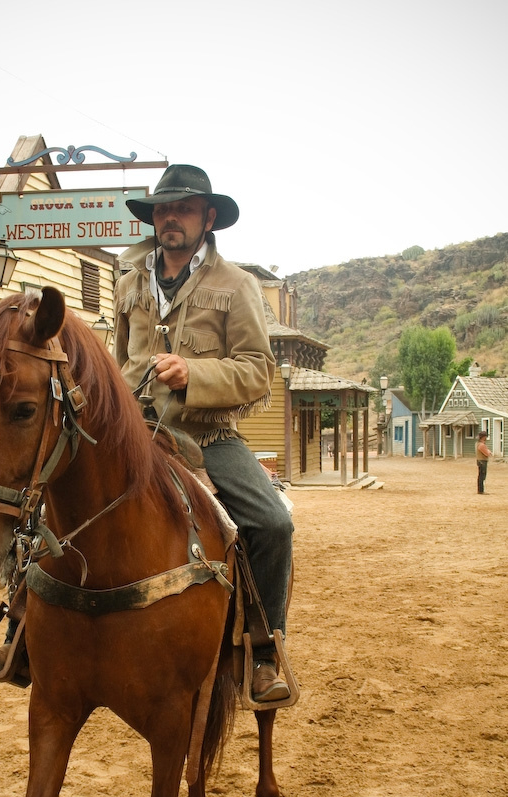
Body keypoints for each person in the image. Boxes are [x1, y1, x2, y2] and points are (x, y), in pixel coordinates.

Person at [115, 164, 294, 702]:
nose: (171, 218)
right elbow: (118, 361)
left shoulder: (237, 285)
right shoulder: (128, 283)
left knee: (273, 524)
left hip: (207, 436)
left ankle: (264, 652)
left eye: (184, 209)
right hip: (134, 431)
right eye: (163, 210)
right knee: (50, 495)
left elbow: (258, 371)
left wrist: (194, 374)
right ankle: (20, 627)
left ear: (208, 218)